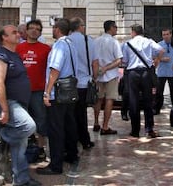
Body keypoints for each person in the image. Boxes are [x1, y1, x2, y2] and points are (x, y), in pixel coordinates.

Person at [0, 25, 41, 186]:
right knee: (29, 126)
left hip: (19, 103)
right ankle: (4, 137)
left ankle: (21, 179)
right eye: (14, 33)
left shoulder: (14, 54)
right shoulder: (0, 56)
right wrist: (4, 109)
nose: (18, 34)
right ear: (4, 37)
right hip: (9, 103)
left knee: (21, 144)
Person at [36, 18, 79, 175]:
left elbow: (55, 69)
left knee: (55, 128)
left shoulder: (60, 45)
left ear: (57, 29)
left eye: (53, 28)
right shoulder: (71, 44)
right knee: (69, 124)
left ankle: (56, 164)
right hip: (70, 91)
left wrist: (47, 92)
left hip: (58, 92)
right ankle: (72, 155)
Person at [16, 19, 51, 160]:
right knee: (22, 120)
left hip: (38, 91)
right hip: (21, 91)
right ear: (26, 30)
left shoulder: (47, 49)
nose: (34, 31)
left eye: (38, 29)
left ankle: (41, 147)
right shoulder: (18, 48)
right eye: (32, 28)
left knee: (41, 120)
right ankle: (23, 148)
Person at [122, 24, 164, 138]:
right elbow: (161, 50)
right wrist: (157, 61)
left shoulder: (127, 44)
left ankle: (135, 130)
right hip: (146, 72)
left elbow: (124, 61)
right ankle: (149, 129)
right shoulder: (149, 41)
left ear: (133, 32)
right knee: (148, 101)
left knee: (133, 102)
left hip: (133, 73)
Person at [68, 17, 98, 150]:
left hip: (69, 84)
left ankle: (72, 139)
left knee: (70, 114)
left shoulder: (66, 41)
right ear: (81, 27)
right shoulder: (89, 41)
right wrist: (94, 78)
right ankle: (84, 139)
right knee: (82, 113)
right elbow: (95, 62)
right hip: (84, 83)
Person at [92, 20, 123, 135]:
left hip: (98, 75)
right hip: (111, 75)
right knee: (109, 99)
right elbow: (119, 60)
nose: (116, 29)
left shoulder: (95, 41)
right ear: (110, 28)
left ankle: (96, 123)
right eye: (115, 27)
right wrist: (107, 68)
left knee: (98, 100)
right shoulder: (114, 42)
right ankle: (105, 126)